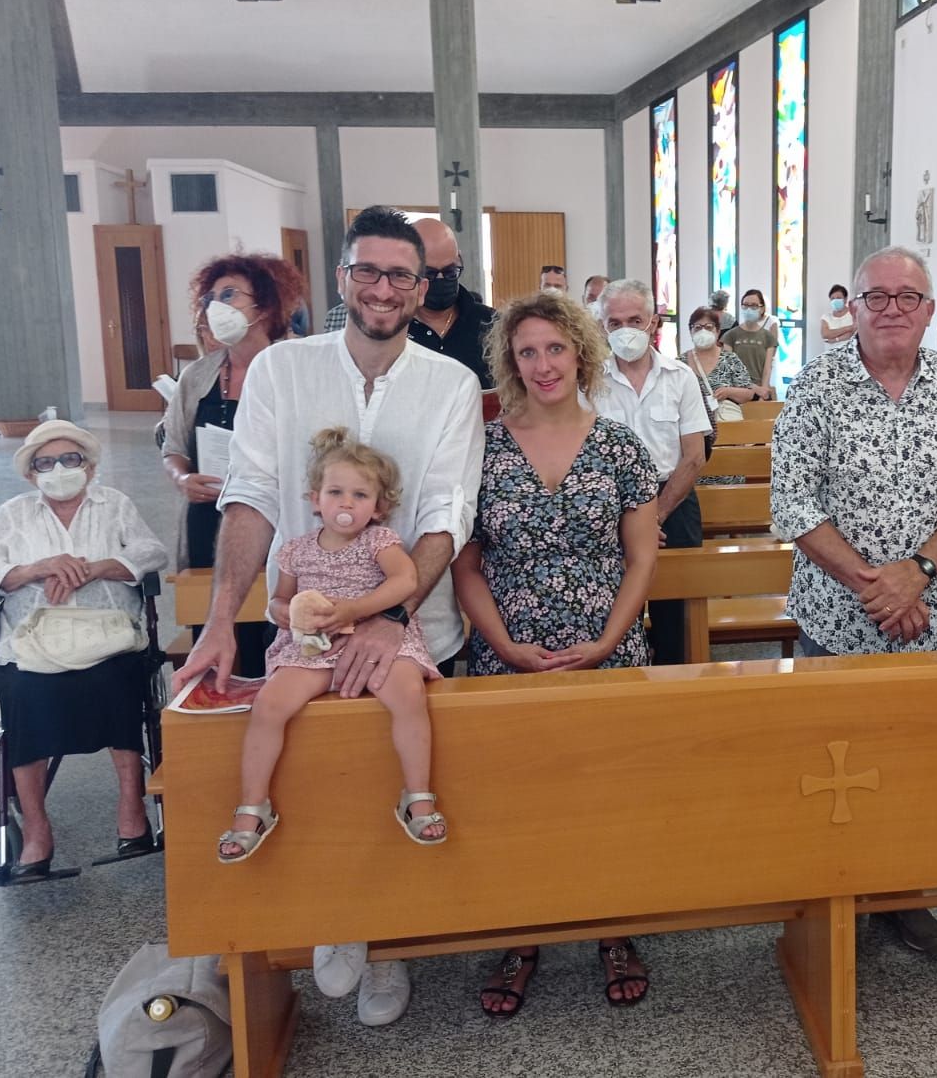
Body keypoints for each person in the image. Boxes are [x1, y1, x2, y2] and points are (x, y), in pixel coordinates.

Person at [172, 205, 484, 1029]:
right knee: (315, 781)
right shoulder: (282, 369)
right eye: (367, 270)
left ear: (422, 287)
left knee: (395, 778)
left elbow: (446, 512)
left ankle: (387, 944)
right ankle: (336, 922)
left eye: (401, 275)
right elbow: (251, 496)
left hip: (411, 631)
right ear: (343, 278)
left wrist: (390, 619)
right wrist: (220, 623)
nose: (384, 288)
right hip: (303, 635)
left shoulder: (451, 384)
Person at [771, 246, 937, 957]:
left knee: (915, 763)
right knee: (831, 768)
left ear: (930, 311)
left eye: (907, 297)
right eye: (877, 296)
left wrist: (918, 572)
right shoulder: (816, 385)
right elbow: (793, 501)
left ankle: (903, 891)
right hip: (838, 615)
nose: (892, 309)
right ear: (853, 309)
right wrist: (879, 586)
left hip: (932, 613)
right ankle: (833, 893)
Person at [453, 290, 659, 1016]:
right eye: (527, 352)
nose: (543, 364)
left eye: (555, 348)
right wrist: (503, 645)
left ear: (580, 353)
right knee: (516, 801)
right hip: (510, 648)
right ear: (511, 362)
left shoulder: (619, 446)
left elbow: (642, 558)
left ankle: (614, 930)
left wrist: (609, 640)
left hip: (607, 645)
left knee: (608, 797)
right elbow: (466, 565)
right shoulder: (484, 446)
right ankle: (522, 935)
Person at [218, 429, 444, 863]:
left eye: (360, 495)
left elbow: (405, 581)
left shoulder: (379, 541)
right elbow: (278, 600)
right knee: (269, 704)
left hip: (374, 638)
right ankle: (252, 805)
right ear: (315, 499)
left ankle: (417, 795)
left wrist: (355, 610)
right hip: (313, 647)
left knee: (408, 693)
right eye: (336, 492)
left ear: (378, 507)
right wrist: (286, 613)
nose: (346, 503)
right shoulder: (296, 551)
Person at [0, 421, 168, 882]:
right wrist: (37, 569)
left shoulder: (114, 504)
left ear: (89, 467)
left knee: (118, 681)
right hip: (34, 638)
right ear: (31, 474)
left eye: (70, 459)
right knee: (24, 695)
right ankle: (37, 831)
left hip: (108, 633)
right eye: (46, 462)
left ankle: (132, 812)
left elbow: (152, 553)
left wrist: (97, 568)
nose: (59, 469)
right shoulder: (15, 513)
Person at [163, 254, 307, 677]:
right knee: (214, 622)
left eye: (228, 295)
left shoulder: (294, 368)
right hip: (208, 516)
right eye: (209, 298)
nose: (215, 306)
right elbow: (173, 445)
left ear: (263, 304)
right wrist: (182, 477)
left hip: (276, 518)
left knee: (274, 630)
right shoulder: (198, 375)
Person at [591, 278, 710, 665]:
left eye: (635, 320)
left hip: (672, 503)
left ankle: (674, 684)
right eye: (615, 323)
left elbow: (694, 457)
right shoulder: (588, 381)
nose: (625, 330)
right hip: (607, 506)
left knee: (675, 619)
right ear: (602, 327)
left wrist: (652, 517)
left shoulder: (681, 377)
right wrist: (630, 522)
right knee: (611, 611)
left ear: (653, 323)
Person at [325, 219, 495, 389]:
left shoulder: (493, 324)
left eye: (450, 272)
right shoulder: (384, 321)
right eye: (430, 273)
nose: (441, 280)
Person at [682, 304, 757, 481]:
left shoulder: (730, 359)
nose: (703, 331)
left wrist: (728, 391)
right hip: (695, 436)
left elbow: (748, 394)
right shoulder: (680, 363)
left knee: (729, 478)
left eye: (708, 327)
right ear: (690, 331)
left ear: (717, 331)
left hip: (728, 434)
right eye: (697, 327)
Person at [722, 288, 778, 400]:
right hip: (736, 391)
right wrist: (752, 387)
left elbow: (767, 368)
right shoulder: (730, 335)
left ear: (762, 309)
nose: (749, 309)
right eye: (745, 305)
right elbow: (729, 367)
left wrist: (763, 392)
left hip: (760, 391)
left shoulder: (768, 337)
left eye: (754, 306)